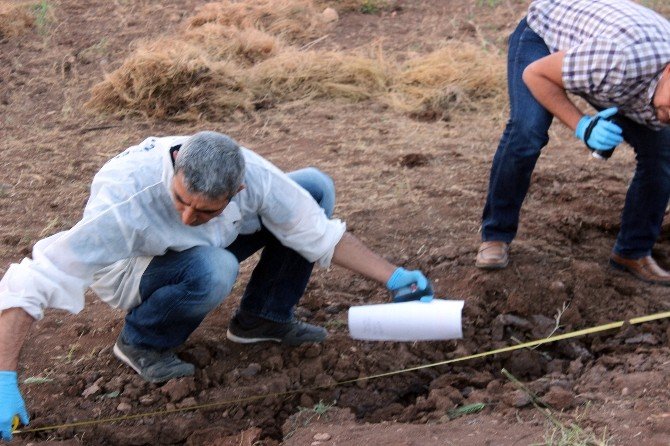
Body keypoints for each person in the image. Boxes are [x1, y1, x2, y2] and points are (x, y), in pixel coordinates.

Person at [0, 131, 433, 440]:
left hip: (207, 246)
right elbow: (35, 277)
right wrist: (3, 379)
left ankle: (262, 318)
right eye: (181, 201)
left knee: (314, 188)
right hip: (133, 268)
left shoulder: (254, 178)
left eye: (204, 210)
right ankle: (143, 342)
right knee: (214, 269)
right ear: (176, 167)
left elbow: (316, 230)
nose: (187, 216)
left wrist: (393, 276)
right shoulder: (125, 200)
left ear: (237, 190)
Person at [476, 0, 670, 285]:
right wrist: (582, 125)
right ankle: (495, 236)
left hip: (606, 61)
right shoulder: (616, 60)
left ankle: (632, 250)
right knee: (527, 132)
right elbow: (535, 75)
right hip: (544, 38)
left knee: (662, 154)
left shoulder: (654, 85)